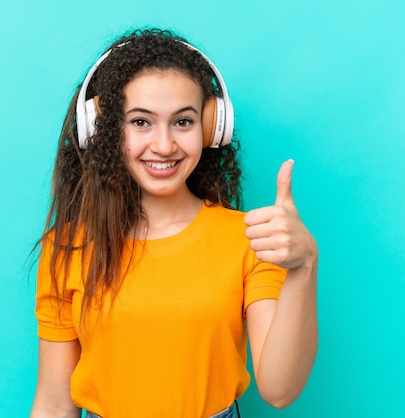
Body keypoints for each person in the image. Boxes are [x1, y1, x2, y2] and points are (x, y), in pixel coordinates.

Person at [30, 29, 318, 418]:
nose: (164, 146)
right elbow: (53, 403)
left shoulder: (247, 240)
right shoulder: (68, 247)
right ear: (103, 129)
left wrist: (303, 267)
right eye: (140, 122)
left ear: (211, 126)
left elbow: (280, 391)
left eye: (182, 122)